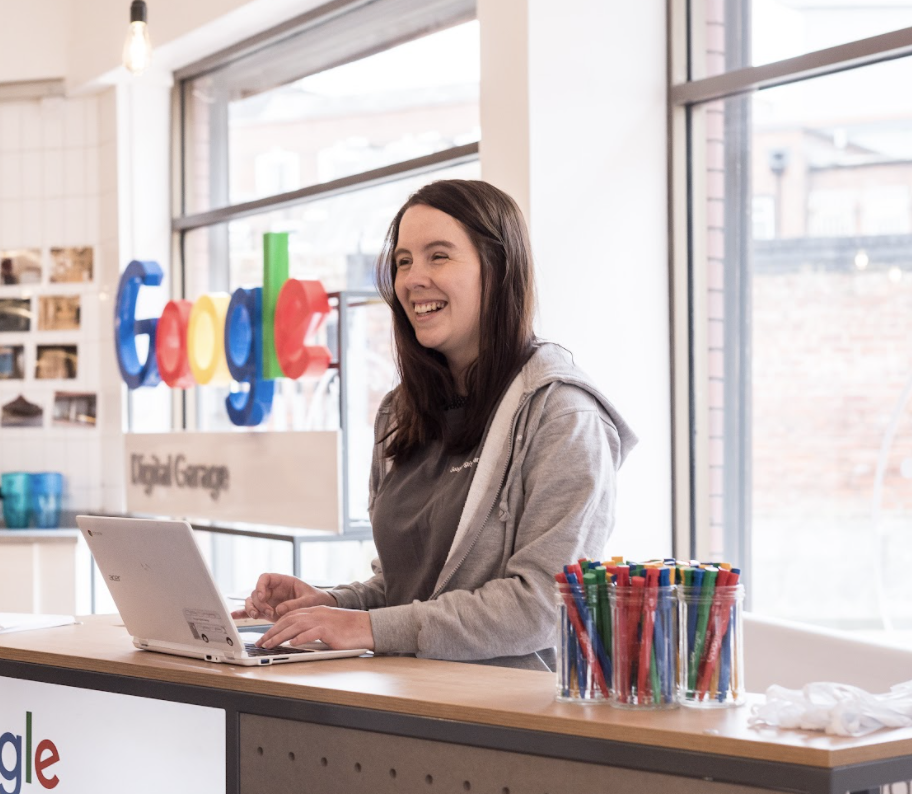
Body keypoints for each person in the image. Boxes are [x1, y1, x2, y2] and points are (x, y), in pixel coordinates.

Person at [238, 179, 638, 669]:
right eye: (404, 261)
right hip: (403, 696)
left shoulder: (564, 416)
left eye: (439, 256)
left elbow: (542, 605)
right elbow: (408, 589)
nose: (413, 279)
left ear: (499, 268)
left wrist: (367, 627)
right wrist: (333, 606)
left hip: (504, 708)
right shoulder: (400, 412)